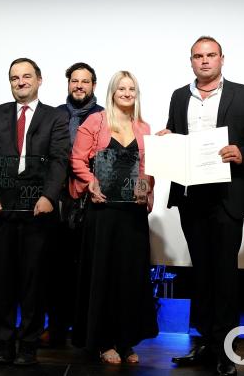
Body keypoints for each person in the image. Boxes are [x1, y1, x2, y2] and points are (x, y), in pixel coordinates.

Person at [161, 36, 244, 376]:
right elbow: (177, 136)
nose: (205, 61)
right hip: (191, 196)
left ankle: (226, 348)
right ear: (191, 61)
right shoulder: (180, 96)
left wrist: (243, 153)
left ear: (222, 59)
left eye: (211, 55)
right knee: (201, 273)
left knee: (224, 273)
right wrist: (167, 140)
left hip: (228, 197)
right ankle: (206, 343)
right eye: (199, 56)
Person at [0, 57, 70, 366]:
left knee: (33, 283)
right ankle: (3, 344)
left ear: (39, 80)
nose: (20, 82)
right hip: (0, 209)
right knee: (1, 281)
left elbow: (59, 160)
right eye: (14, 77)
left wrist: (49, 196)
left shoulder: (55, 117)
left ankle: (28, 346)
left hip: (37, 212)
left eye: (26, 76)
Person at [69, 70, 158, 365]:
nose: (127, 93)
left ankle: (126, 340)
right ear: (112, 92)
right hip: (103, 212)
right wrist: (90, 183)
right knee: (103, 276)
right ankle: (104, 341)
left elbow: (147, 169)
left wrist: (144, 191)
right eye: (121, 88)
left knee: (130, 278)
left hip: (132, 215)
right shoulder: (95, 122)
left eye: (132, 88)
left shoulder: (143, 127)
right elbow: (77, 160)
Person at [43, 62, 104, 348]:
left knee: (86, 268)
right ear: (68, 84)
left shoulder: (104, 117)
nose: (79, 86)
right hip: (56, 198)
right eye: (74, 81)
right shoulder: (53, 114)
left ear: (94, 85)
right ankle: (54, 328)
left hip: (90, 198)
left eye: (85, 81)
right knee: (54, 267)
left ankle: (83, 328)